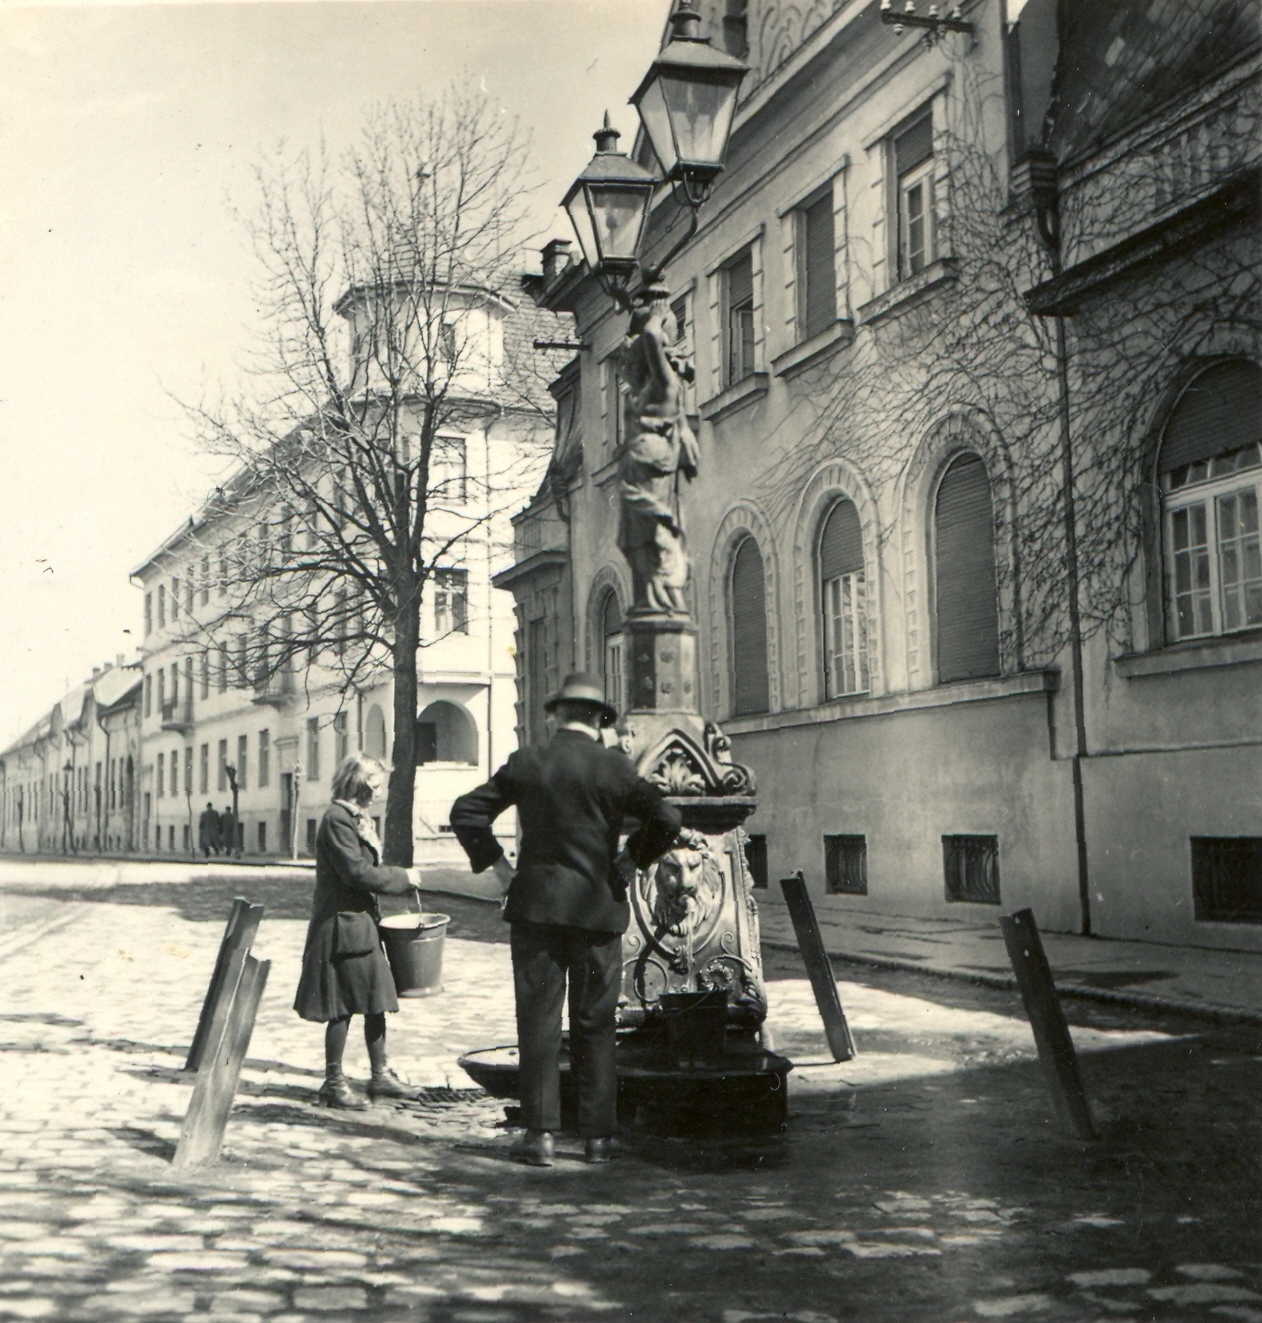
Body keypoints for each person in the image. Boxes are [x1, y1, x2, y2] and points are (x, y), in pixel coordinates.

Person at [450, 672, 700, 1166]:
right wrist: (633, 858)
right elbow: (668, 819)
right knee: (595, 1024)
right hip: (597, 910)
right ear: (599, 721)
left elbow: (467, 812)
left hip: (536, 911)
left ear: (555, 715)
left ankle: (540, 1137)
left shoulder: (529, 762)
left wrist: (499, 866)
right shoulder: (615, 768)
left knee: (539, 1022)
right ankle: (598, 1139)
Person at [294, 752, 425, 1108]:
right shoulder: (338, 819)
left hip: (361, 923)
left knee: (374, 1001)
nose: (379, 792)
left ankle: (380, 1076)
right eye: (375, 785)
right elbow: (356, 873)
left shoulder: (357, 817)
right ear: (358, 783)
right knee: (341, 1005)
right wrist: (402, 877)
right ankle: (333, 1083)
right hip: (341, 926)